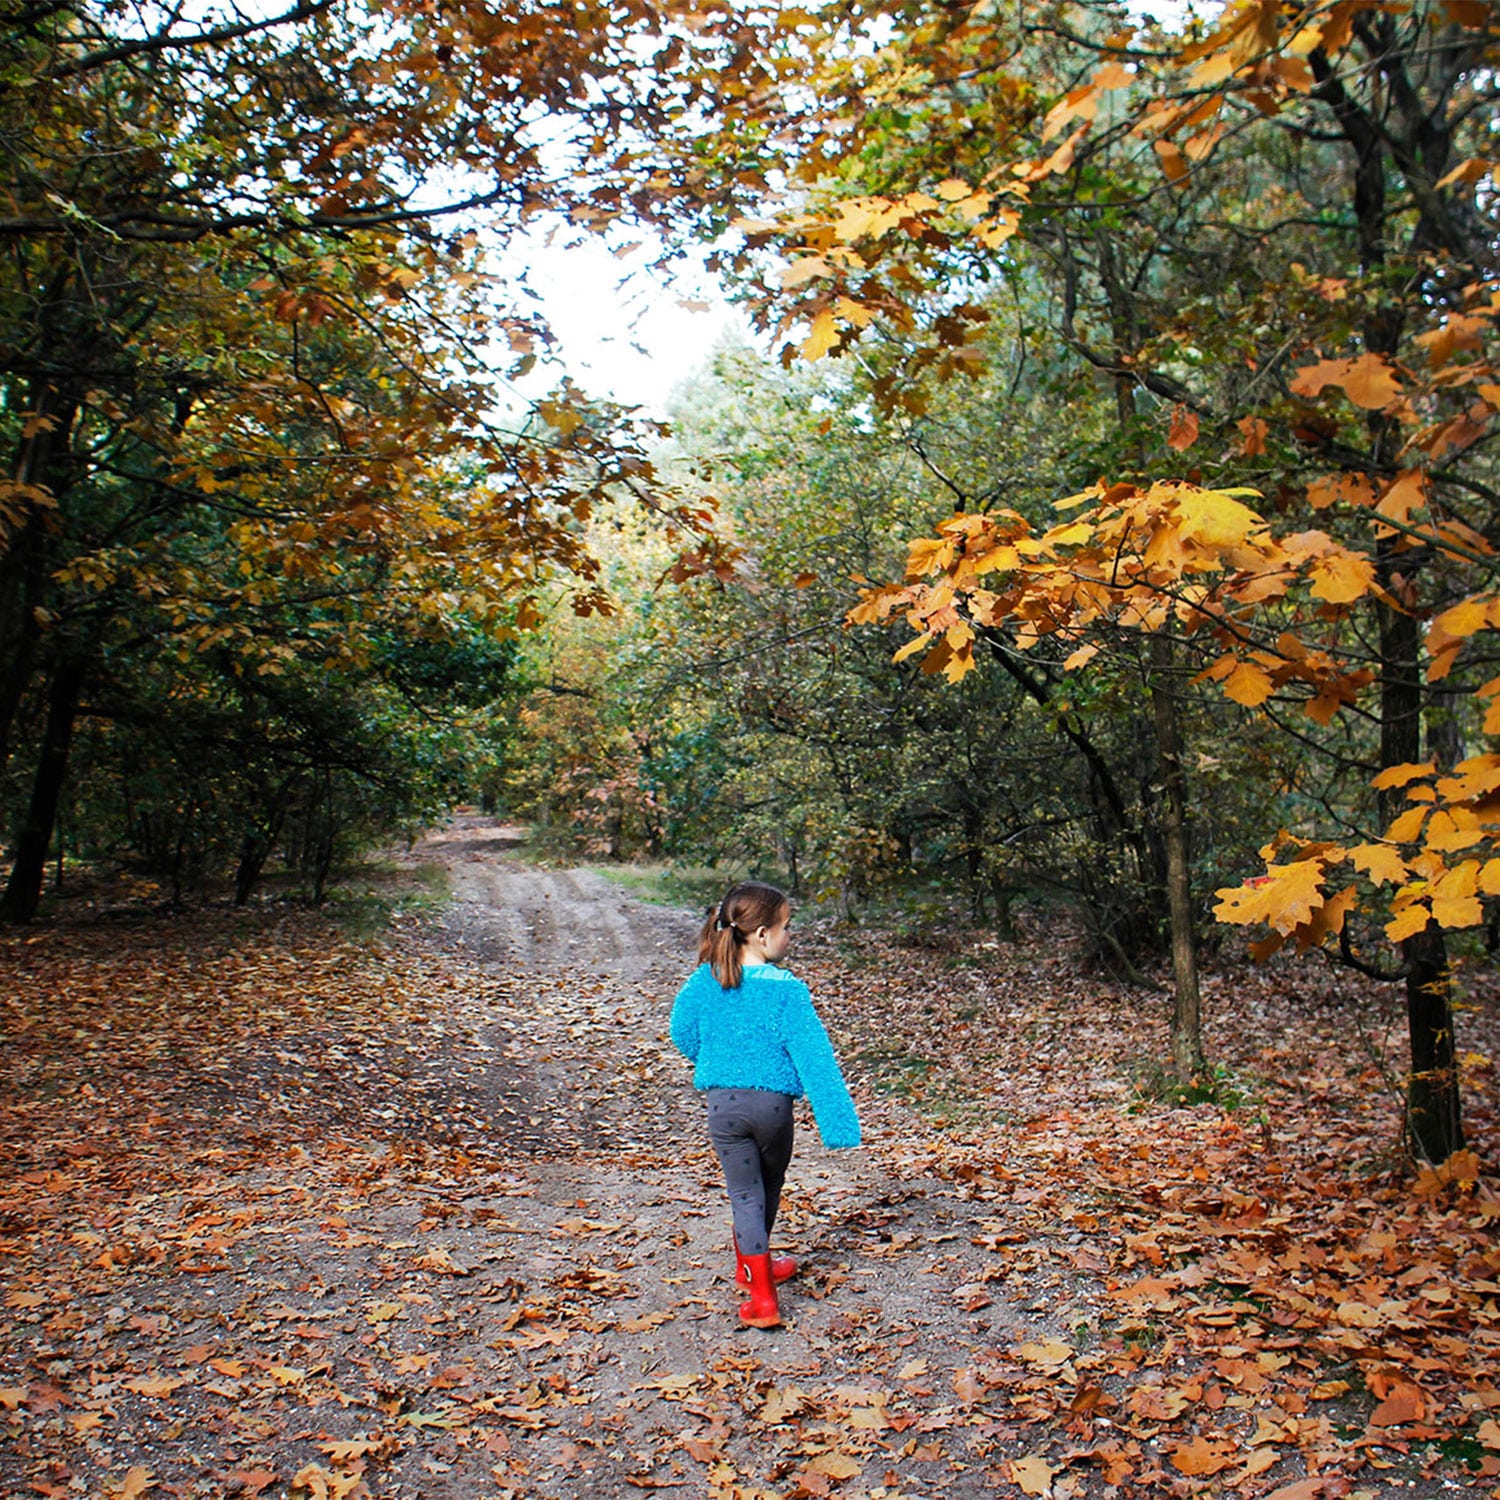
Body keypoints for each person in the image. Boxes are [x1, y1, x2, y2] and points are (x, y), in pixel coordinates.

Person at [669, 880, 860, 1329]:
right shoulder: (787, 991)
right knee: (766, 1192)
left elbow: (682, 1032)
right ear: (761, 936)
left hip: (724, 1109)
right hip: (773, 1111)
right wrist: (839, 1124)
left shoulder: (705, 981)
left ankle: (755, 1282)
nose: (788, 936)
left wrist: (714, 1059)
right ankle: (762, 1288)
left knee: (743, 1196)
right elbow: (815, 1058)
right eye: (786, 927)